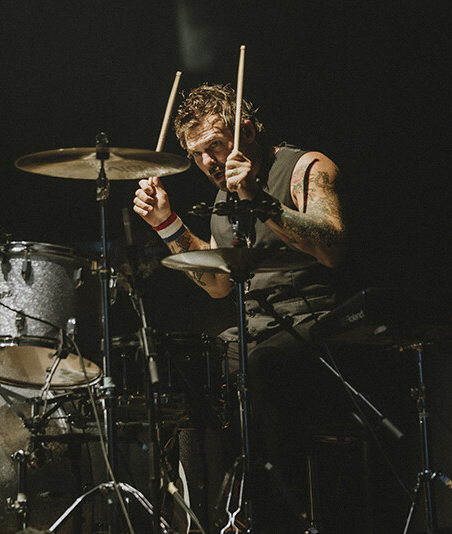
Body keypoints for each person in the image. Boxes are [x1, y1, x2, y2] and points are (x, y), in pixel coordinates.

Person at [133, 83, 350, 532]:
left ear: (246, 130)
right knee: (189, 371)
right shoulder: (220, 201)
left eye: (215, 145)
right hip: (252, 327)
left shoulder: (305, 166)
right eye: (198, 154)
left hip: (314, 321)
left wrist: (261, 200)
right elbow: (217, 285)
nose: (209, 162)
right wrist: (166, 223)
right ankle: (211, 515)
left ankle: (277, 515)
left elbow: (332, 246)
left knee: (259, 364)